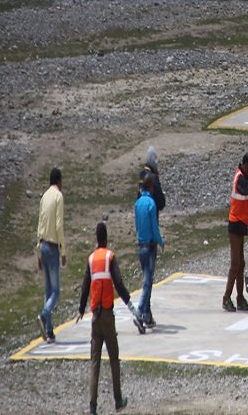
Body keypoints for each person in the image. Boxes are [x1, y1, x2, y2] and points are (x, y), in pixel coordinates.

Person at [77, 222, 144, 415]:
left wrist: (82, 309)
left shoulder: (90, 259)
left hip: (94, 317)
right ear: (106, 238)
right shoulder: (110, 257)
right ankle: (118, 400)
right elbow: (119, 284)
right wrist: (131, 306)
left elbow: (84, 287)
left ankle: (92, 406)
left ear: (96, 238)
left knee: (94, 362)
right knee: (114, 358)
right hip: (107, 315)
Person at [224, 153, 248, 312]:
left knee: (241, 264)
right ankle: (226, 298)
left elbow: (244, 205)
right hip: (235, 225)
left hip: (241, 224)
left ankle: (239, 298)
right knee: (235, 264)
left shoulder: (242, 176)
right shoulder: (239, 178)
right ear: (245, 165)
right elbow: (246, 189)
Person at [36, 167, 65, 344]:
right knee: (56, 292)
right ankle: (44, 315)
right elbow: (59, 225)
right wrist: (63, 250)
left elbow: (39, 224)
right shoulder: (58, 197)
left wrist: (38, 250)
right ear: (59, 181)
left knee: (47, 291)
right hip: (53, 246)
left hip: (43, 245)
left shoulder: (44, 197)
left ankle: (49, 332)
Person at [135, 174, 163, 327]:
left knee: (146, 279)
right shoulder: (151, 203)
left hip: (141, 245)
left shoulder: (138, 203)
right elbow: (154, 227)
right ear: (151, 187)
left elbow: (137, 225)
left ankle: (146, 315)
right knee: (148, 282)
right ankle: (140, 311)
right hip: (150, 246)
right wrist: (160, 241)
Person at [138, 146, 165, 216]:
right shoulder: (153, 177)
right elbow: (161, 202)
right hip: (152, 212)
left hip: (140, 212)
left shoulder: (142, 174)